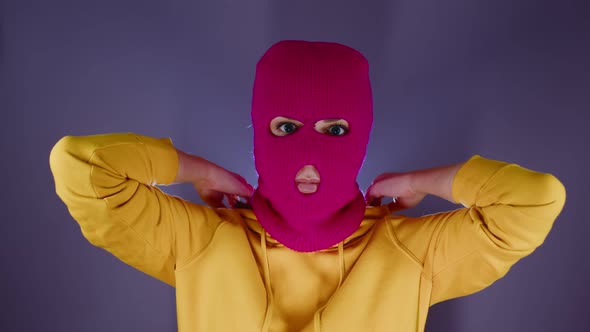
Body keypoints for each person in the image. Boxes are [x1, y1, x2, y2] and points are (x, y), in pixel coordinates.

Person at [49, 40, 566, 332]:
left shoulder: (409, 252)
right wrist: (197, 170)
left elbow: (534, 199)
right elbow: (81, 166)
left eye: (336, 130)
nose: (309, 153)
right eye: (284, 127)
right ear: (259, 131)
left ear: (361, 136)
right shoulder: (201, 240)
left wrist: (419, 180)